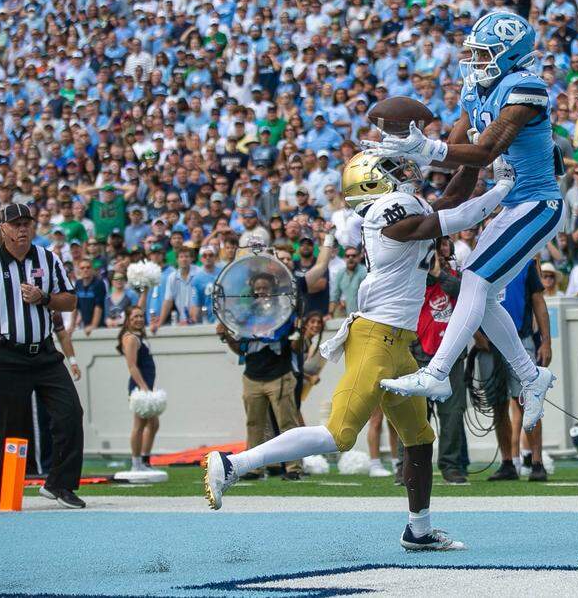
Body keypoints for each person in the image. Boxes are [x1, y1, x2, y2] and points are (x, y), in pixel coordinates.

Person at [205, 152, 516, 552]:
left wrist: (476, 159)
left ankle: (418, 530)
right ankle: (233, 464)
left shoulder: (402, 207)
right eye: (392, 170)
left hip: (398, 342)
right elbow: (454, 218)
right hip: (374, 339)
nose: (405, 172)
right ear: (372, 184)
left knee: (420, 438)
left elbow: (451, 200)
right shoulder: (385, 212)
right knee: (338, 434)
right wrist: (503, 188)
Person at [370, 12, 562, 432]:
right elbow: (462, 160)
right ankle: (531, 377)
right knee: (485, 294)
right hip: (510, 204)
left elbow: (485, 153)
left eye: (481, 52)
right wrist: (434, 213)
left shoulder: (525, 90)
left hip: (538, 203)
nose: (473, 60)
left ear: (508, 54)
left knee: (474, 280)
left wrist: (429, 148)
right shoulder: (477, 89)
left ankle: (437, 373)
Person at [0, 203, 84, 511]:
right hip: (7, 354)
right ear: (3, 230)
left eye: (27, 223)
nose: (22, 229)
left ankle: (60, 483)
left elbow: (69, 301)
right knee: (5, 426)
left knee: (70, 412)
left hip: (43, 351)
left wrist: (43, 298)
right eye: (15, 224)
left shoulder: (48, 259)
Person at [215, 239, 335, 481]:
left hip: (280, 375)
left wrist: (299, 332)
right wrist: (226, 335)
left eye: (265, 287)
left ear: (272, 288)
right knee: (254, 425)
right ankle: (253, 467)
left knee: (287, 424)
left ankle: (294, 468)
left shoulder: (284, 311)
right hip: (252, 376)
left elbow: (294, 345)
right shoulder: (246, 315)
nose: (261, 291)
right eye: (257, 288)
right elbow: (241, 349)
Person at [480, 259, 552, 482]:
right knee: (498, 405)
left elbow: (538, 300)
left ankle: (537, 461)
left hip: (521, 341)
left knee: (529, 401)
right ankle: (508, 461)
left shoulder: (526, 262)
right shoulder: (479, 263)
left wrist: (546, 341)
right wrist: (476, 337)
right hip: (489, 344)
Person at [412, 237, 468, 485]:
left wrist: (440, 273)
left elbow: (464, 295)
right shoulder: (414, 277)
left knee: (452, 414)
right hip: (421, 355)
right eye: (436, 245)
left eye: (444, 244)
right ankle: (410, 465)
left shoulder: (459, 276)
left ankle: (451, 465)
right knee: (415, 415)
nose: (441, 249)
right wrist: (430, 272)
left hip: (452, 356)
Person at [118, 307, 159, 472]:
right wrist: (143, 388)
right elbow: (132, 366)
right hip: (139, 388)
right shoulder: (131, 339)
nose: (140, 319)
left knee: (153, 424)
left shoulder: (140, 336)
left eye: (142, 316)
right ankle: (136, 464)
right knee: (139, 425)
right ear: (128, 319)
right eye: (135, 316)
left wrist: (145, 291)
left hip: (146, 386)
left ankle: (144, 461)